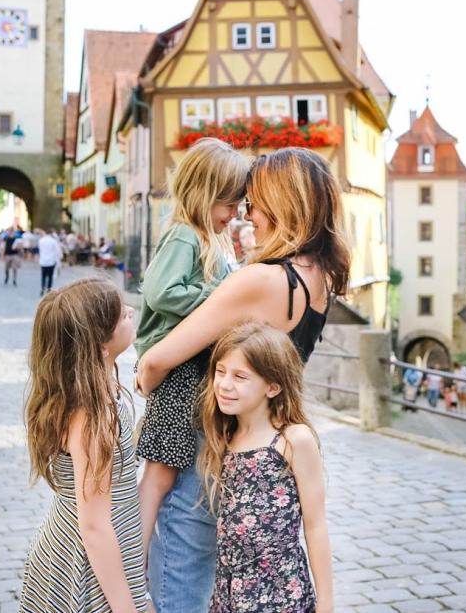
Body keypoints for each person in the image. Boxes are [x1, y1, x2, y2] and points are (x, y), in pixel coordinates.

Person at [136, 148, 350, 612]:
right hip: (254, 442)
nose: (246, 215)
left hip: (201, 439)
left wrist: (150, 387)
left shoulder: (260, 279)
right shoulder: (319, 281)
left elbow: (159, 357)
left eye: (253, 204)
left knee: (181, 577)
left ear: (281, 205)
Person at [135, 138, 247, 569]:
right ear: (206, 194)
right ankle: (135, 556)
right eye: (229, 203)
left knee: (169, 470)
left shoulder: (212, 239)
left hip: (191, 367)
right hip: (179, 369)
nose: (235, 213)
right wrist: (221, 294)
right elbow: (163, 293)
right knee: (161, 471)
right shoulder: (185, 234)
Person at [19, 278, 148, 613]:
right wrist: (128, 607)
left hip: (82, 549)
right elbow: (94, 527)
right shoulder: (94, 415)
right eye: (122, 316)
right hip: (87, 564)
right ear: (101, 344)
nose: (131, 311)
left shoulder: (90, 393)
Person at [201, 323, 332, 613]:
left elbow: (316, 524)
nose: (223, 384)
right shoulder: (226, 437)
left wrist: (326, 603)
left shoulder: (292, 440)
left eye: (240, 377)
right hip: (229, 595)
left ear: (273, 386)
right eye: (220, 372)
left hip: (280, 594)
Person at [38, 229, 62, 295]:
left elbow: (40, 250)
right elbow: (57, 251)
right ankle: (49, 289)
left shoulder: (41, 240)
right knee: (50, 276)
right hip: (51, 261)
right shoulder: (53, 241)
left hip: (43, 261)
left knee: (43, 275)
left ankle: (42, 288)